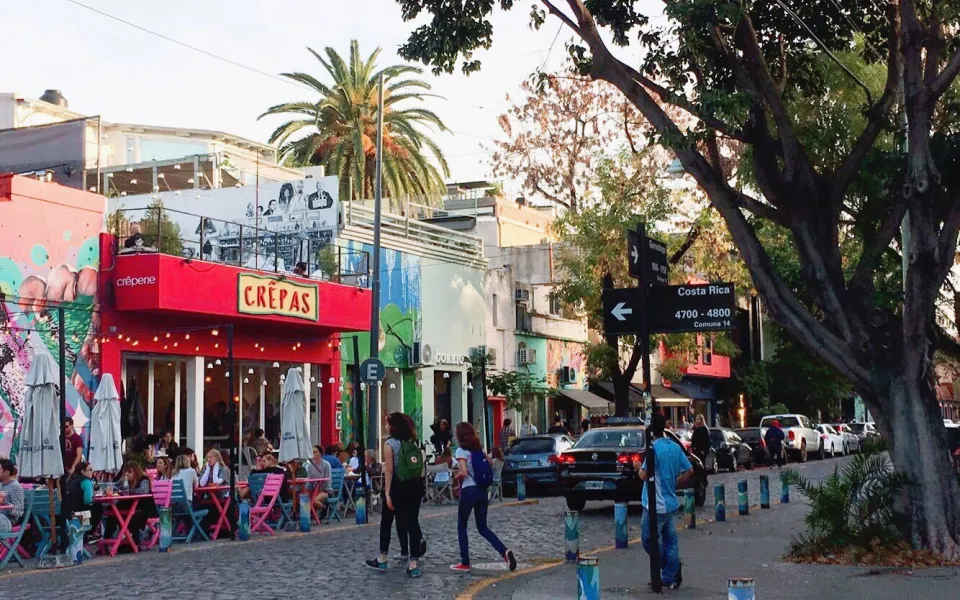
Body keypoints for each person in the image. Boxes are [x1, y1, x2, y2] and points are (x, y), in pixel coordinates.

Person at [634, 413, 692, 590]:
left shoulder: (654, 450)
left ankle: (670, 570)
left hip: (655, 504)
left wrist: (637, 466)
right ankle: (670, 575)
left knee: (648, 539)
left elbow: (644, 475)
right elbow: (689, 470)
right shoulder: (674, 447)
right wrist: (675, 482)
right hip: (670, 501)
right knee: (670, 540)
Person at [450, 421, 517, 573]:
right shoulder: (479, 449)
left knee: (462, 525)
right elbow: (489, 463)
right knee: (483, 527)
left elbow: (464, 472)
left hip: (468, 491)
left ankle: (465, 562)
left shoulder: (461, 451)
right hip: (482, 491)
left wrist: (456, 476)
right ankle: (504, 551)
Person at [365, 412, 426, 578]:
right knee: (412, 524)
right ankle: (413, 564)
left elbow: (390, 470)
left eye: (387, 423)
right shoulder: (414, 442)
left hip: (397, 487)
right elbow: (421, 469)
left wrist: (387, 492)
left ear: (393, 426)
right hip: (414, 487)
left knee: (386, 522)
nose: (386, 426)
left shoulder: (390, 444)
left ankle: (383, 558)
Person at [65, 461, 102, 543]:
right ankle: (89, 534)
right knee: (98, 508)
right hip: (79, 514)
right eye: (90, 469)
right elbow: (88, 500)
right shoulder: (86, 481)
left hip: (68, 513)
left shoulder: (71, 480)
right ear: (83, 472)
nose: (91, 472)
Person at [304, 445, 332, 515]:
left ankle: (324, 507)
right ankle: (320, 509)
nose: (313, 453)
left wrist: (320, 488)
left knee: (314, 501)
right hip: (313, 489)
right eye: (312, 452)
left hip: (325, 490)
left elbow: (328, 480)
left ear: (320, 453)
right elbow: (309, 480)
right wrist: (307, 489)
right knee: (303, 500)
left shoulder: (326, 464)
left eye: (315, 452)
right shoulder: (310, 466)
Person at [0, 459, 24, 533]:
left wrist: (4, 503)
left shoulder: (16, 487)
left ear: (6, 473)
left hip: (7, 521)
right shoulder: (1, 485)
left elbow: (19, 511)